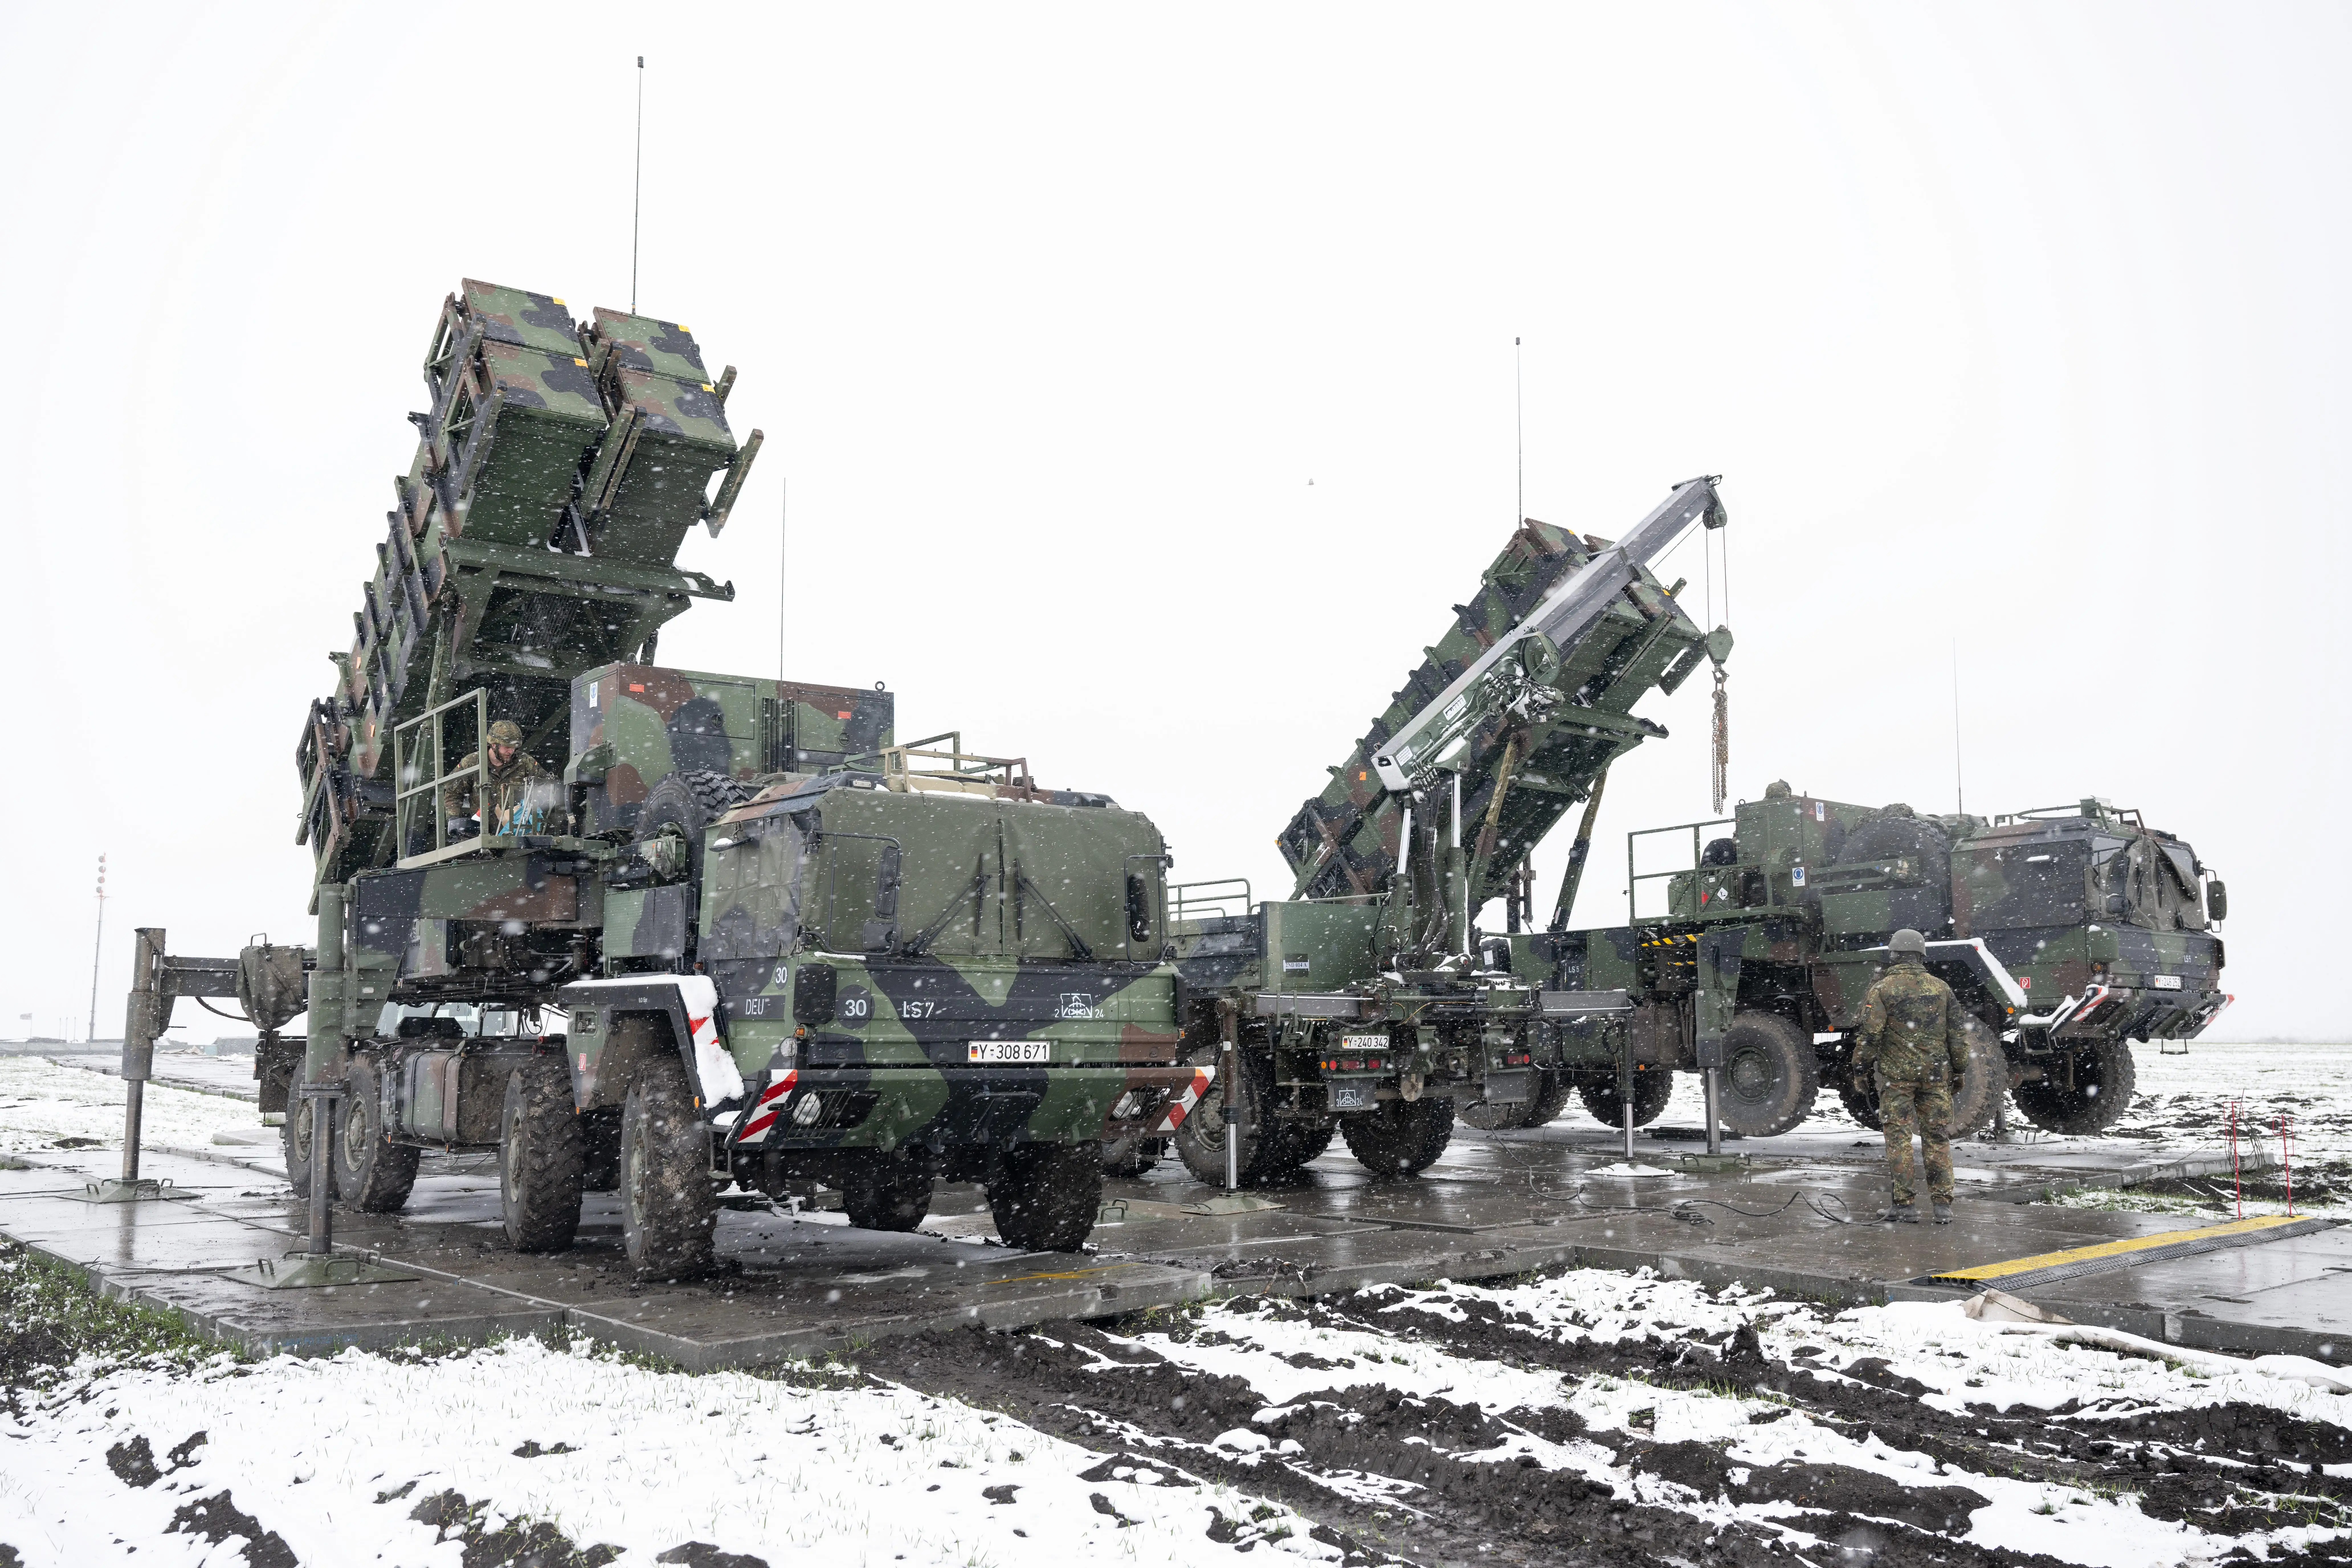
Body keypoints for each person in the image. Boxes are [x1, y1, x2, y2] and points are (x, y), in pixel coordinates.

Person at [1852, 927, 1969, 1224]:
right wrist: (1960, 1070)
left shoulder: (1882, 989)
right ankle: (1942, 1206)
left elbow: (1870, 1036)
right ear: (1921, 955)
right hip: (1936, 1077)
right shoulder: (1942, 988)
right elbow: (1957, 1034)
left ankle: (1905, 1205)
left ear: (1894, 954)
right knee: (1937, 1138)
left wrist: (1860, 1070)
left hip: (1898, 1080)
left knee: (1899, 1139)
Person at [443, 719, 546, 838]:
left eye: (514, 748)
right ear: (494, 745)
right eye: (507, 747)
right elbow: (453, 792)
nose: (511, 751)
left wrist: (533, 802)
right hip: (481, 833)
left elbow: (547, 786)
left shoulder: (525, 762)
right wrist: (454, 818)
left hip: (517, 834)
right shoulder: (472, 763)